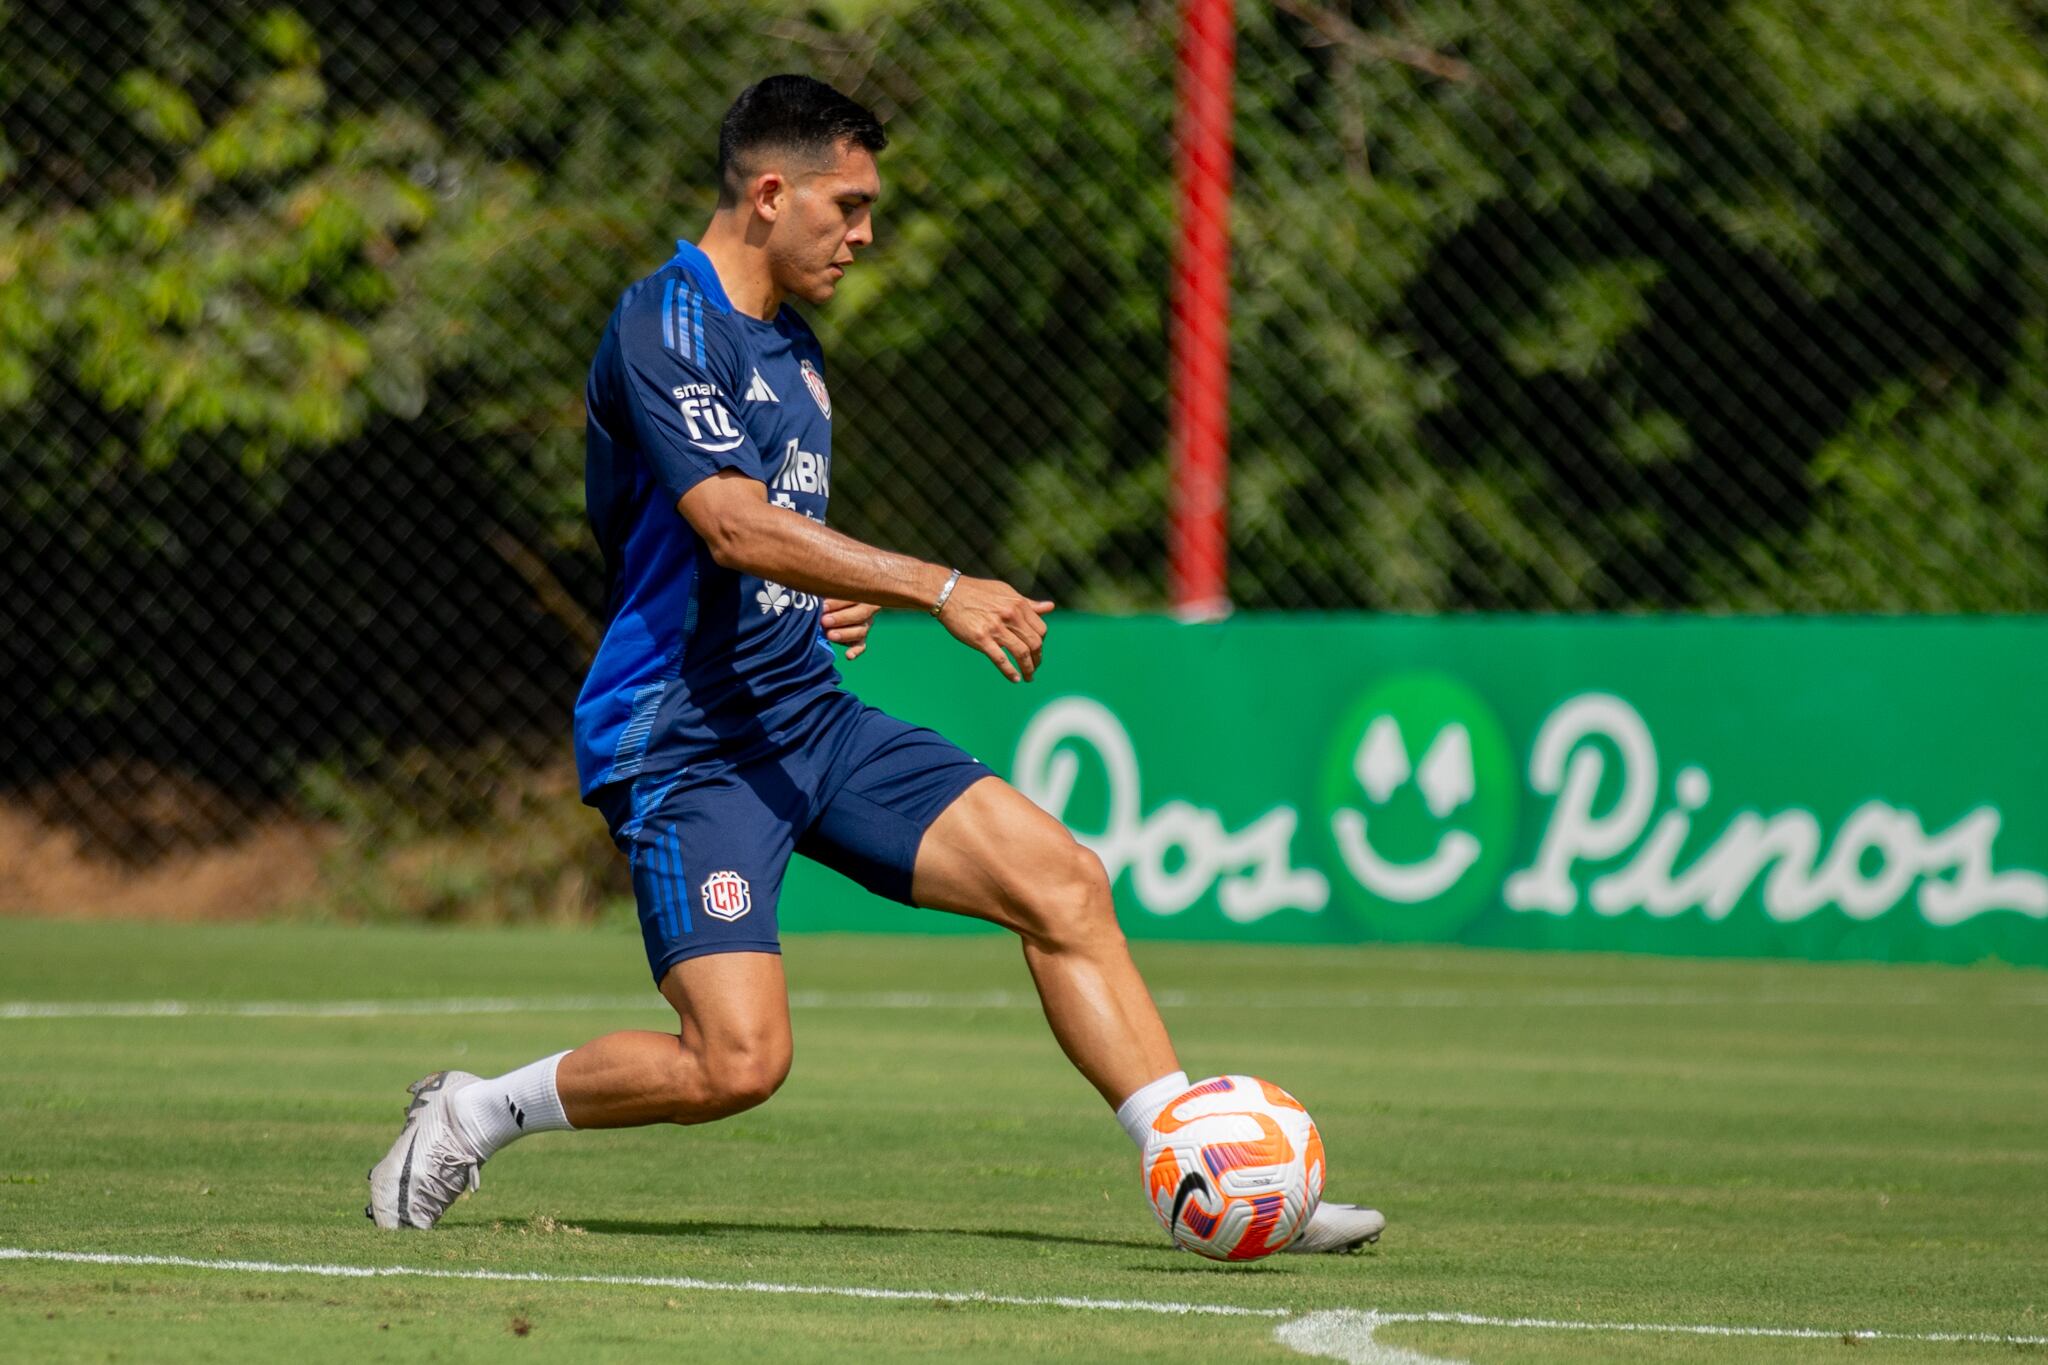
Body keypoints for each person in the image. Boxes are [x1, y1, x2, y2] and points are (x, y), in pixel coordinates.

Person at [366, 73, 1384, 1253]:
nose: (863, 234)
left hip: (803, 711)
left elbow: (763, 555)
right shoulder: (666, 320)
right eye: (845, 205)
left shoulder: (793, 355)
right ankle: (475, 1111)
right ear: (766, 193)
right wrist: (934, 588)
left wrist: (812, 604)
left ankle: (1203, 1173)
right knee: (737, 1063)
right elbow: (730, 527)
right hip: (685, 739)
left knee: (1061, 882)